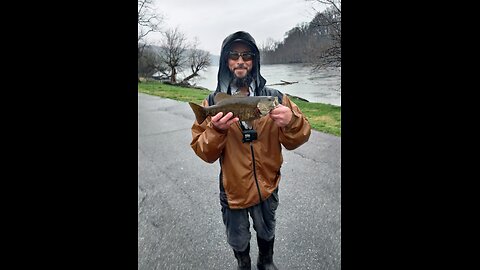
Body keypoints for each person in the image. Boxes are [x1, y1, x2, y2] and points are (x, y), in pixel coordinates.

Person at [190, 31, 311, 270]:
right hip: (233, 190)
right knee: (238, 238)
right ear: (226, 61)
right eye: (234, 55)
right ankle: (243, 264)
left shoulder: (275, 98)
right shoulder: (212, 103)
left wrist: (292, 121)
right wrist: (216, 130)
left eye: (246, 55)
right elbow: (203, 151)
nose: (240, 60)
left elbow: (300, 135)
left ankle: (266, 262)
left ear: (254, 61)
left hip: (268, 186)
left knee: (267, 230)